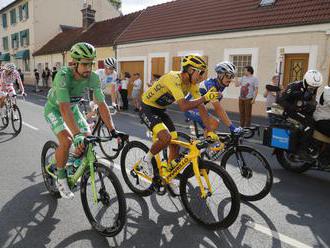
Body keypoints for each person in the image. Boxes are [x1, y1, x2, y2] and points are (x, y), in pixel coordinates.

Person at [44, 42, 124, 199]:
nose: (89, 68)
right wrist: (75, 134)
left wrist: (113, 130)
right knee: (67, 140)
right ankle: (61, 178)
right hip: (55, 109)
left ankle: (70, 160)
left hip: (72, 109)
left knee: (87, 139)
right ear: (75, 63)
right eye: (85, 64)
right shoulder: (63, 76)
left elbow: (101, 104)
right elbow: (63, 108)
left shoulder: (93, 77)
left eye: (91, 63)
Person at [138, 55, 220, 175]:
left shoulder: (191, 85)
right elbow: (183, 106)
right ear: (191, 70)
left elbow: (201, 107)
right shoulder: (173, 78)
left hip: (161, 110)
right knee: (165, 138)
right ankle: (146, 160)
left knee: (174, 143)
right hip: (147, 107)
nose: (202, 77)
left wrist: (209, 130)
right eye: (201, 73)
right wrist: (204, 98)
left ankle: (169, 174)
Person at [184, 61, 242, 135]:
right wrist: (232, 127)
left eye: (232, 76)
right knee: (214, 122)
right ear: (220, 75)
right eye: (228, 76)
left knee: (211, 132)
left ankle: (204, 142)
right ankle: (203, 144)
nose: (230, 79)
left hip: (198, 107)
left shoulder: (221, 85)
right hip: (189, 107)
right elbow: (218, 109)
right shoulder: (211, 86)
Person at [278, 69, 323, 157]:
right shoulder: (294, 86)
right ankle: (302, 150)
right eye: (311, 87)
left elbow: (310, 100)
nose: (313, 89)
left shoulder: (312, 87)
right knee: (309, 124)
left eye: (316, 87)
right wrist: (294, 107)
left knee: (318, 121)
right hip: (290, 111)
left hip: (302, 111)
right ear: (305, 81)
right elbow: (281, 100)